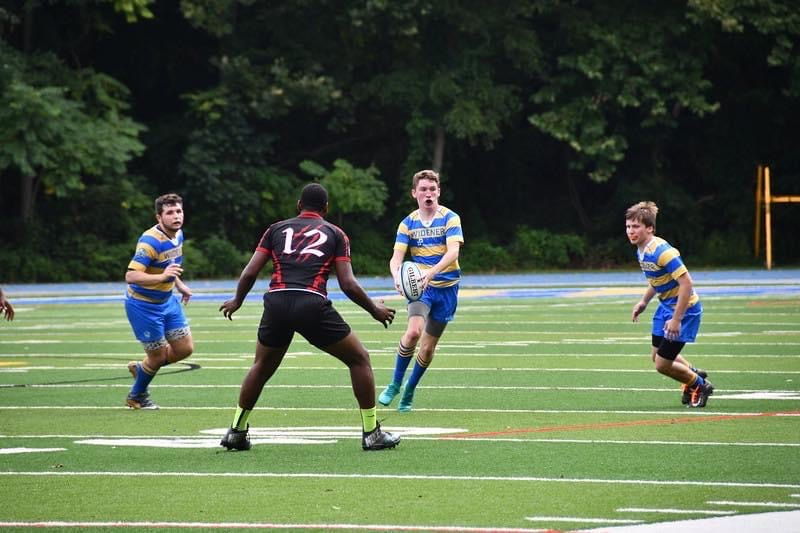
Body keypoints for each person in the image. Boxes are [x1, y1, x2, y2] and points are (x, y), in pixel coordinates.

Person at [219, 183, 400, 452]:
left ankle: (236, 431)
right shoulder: (336, 233)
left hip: (277, 302)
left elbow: (249, 273)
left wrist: (237, 301)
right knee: (359, 358)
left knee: (261, 366)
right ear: (326, 209)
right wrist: (375, 310)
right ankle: (372, 432)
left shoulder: (276, 229)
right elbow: (347, 284)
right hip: (310, 303)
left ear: (298, 205)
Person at [378, 169, 464, 412]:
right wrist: (397, 275)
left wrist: (431, 272)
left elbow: (453, 253)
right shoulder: (407, 224)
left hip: (447, 289)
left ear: (439, 192)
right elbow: (396, 258)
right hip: (421, 289)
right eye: (424, 189)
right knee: (414, 332)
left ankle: (410, 389)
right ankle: (395, 383)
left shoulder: (450, 218)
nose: (429, 194)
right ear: (414, 193)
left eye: (433, 189)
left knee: (427, 348)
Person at [626, 201, 713, 408]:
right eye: (628, 226)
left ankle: (699, 385)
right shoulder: (641, 249)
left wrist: (676, 319)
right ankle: (692, 374)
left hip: (685, 310)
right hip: (665, 306)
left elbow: (687, 283)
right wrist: (644, 301)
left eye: (636, 226)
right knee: (656, 356)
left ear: (650, 228)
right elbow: (657, 280)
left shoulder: (663, 251)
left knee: (662, 365)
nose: (631, 231)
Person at [124, 193, 194, 410]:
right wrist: (163, 278)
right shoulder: (149, 242)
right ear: (159, 217)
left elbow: (169, 265)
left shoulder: (178, 234)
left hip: (167, 301)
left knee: (185, 349)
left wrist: (178, 284)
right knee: (156, 357)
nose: (176, 216)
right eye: (170, 212)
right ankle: (136, 396)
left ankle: (142, 368)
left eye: (179, 211)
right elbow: (131, 276)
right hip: (143, 306)